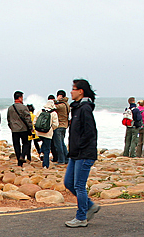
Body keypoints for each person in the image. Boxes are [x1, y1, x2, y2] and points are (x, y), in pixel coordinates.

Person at [64, 79, 99, 228]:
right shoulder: (77, 108)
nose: (70, 91)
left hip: (84, 153)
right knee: (68, 183)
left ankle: (81, 217)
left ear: (81, 91)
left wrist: (79, 147)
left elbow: (91, 133)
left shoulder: (85, 108)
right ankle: (90, 206)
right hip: (75, 154)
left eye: (73, 89)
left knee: (79, 185)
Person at [7, 91, 33, 166]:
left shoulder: (10, 108)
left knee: (16, 145)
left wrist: (11, 127)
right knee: (26, 143)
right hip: (23, 129)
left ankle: (19, 161)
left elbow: (9, 119)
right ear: (20, 98)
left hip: (14, 130)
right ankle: (22, 155)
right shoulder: (24, 107)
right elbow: (28, 118)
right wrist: (30, 127)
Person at [35, 99, 59, 168]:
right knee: (47, 149)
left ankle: (41, 152)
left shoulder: (40, 111)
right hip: (48, 133)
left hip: (39, 132)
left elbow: (35, 121)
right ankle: (45, 165)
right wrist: (51, 129)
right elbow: (56, 125)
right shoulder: (53, 113)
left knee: (44, 143)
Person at [53, 89, 70, 164]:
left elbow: (51, 106)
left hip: (59, 125)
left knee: (58, 144)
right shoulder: (67, 104)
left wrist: (56, 100)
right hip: (65, 125)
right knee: (62, 143)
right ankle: (66, 159)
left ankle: (61, 160)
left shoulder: (61, 105)